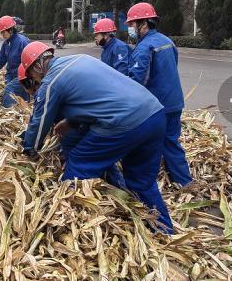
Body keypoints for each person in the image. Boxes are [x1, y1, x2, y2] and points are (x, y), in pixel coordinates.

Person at [20, 41, 173, 233]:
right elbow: (100, 97)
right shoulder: (81, 59)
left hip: (123, 122)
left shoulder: (51, 81)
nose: (33, 79)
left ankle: (70, 227)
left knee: (78, 166)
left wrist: (29, 148)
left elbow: (39, 121)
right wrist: (73, 121)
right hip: (154, 114)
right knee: (142, 182)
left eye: (30, 74)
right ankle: (165, 233)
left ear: (37, 66)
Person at [18, 64, 126, 189]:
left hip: (79, 132)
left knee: (75, 167)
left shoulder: (45, 91)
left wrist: (28, 147)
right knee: (104, 163)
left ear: (29, 82)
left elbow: (38, 123)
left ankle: (73, 191)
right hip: (91, 125)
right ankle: (121, 187)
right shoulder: (62, 81)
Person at [126, 2, 192, 187]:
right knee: (171, 141)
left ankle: (145, 183)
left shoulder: (144, 47)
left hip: (157, 106)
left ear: (143, 23)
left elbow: (138, 82)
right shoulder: (168, 41)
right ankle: (184, 181)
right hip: (174, 101)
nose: (130, 29)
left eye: (132, 25)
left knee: (149, 144)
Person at [0, 15, 31, 107]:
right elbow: (1, 59)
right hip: (10, 75)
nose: (2, 35)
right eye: (1, 33)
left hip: (22, 76)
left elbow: (31, 61)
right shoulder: (6, 44)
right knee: (19, 96)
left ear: (11, 30)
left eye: (4, 33)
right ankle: (23, 108)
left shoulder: (22, 42)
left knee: (9, 90)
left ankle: (9, 111)